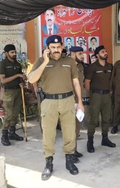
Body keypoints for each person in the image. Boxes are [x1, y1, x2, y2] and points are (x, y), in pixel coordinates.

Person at [28, 35, 84, 180]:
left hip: (67, 100)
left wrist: (80, 102)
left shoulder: (69, 61)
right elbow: (32, 79)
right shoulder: (41, 61)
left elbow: (76, 82)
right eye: (53, 47)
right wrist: (45, 61)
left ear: (62, 47)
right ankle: (49, 163)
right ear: (47, 48)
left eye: (58, 47)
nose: (56, 50)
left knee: (70, 132)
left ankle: (69, 160)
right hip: (49, 102)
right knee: (48, 134)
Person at [84, 45, 115, 153]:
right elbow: (87, 82)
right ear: (97, 55)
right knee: (94, 119)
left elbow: (111, 80)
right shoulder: (92, 67)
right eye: (103, 52)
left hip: (107, 95)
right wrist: (92, 94)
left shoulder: (110, 66)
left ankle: (105, 138)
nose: (105, 53)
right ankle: (90, 141)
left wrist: (110, 90)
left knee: (106, 118)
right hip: (96, 95)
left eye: (106, 51)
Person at [0, 44, 26, 146]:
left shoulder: (18, 64)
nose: (14, 54)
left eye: (15, 52)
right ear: (6, 53)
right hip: (8, 92)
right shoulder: (3, 64)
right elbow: (3, 80)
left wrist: (22, 81)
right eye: (12, 52)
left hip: (17, 91)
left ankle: (12, 132)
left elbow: (20, 77)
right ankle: (4, 135)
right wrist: (17, 75)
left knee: (15, 114)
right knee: (9, 114)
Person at [69, 46, 86, 158]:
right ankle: (70, 152)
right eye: (80, 54)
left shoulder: (80, 66)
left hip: (78, 101)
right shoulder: (66, 66)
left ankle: (73, 150)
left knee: (76, 128)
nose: (83, 56)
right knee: (69, 128)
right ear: (73, 54)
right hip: (69, 100)